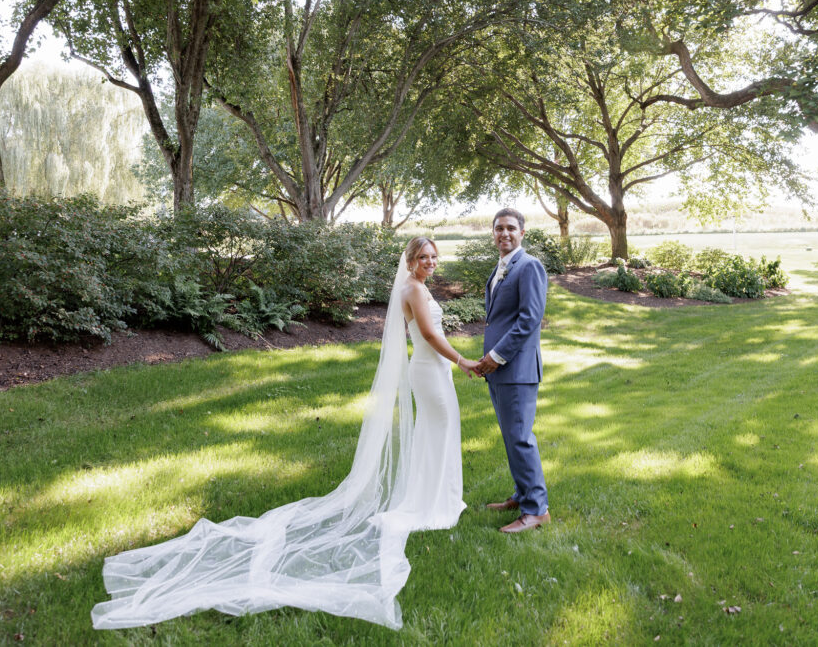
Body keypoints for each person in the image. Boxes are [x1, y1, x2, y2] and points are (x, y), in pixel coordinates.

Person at [91, 237, 477, 630]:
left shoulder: (419, 285)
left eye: (433, 256)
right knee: (437, 432)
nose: (429, 262)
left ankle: (434, 500)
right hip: (431, 371)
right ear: (410, 260)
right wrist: (462, 360)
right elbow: (428, 336)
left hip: (435, 371)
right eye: (422, 257)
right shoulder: (411, 288)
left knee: (436, 435)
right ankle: (429, 505)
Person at [474, 208, 551, 534]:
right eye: (498, 229)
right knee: (511, 437)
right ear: (493, 234)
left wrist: (496, 355)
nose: (503, 234)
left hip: (516, 368)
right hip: (500, 370)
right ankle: (522, 495)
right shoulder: (501, 267)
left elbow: (529, 320)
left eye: (510, 228)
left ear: (522, 232)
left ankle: (537, 510)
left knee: (520, 438)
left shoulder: (529, 266)